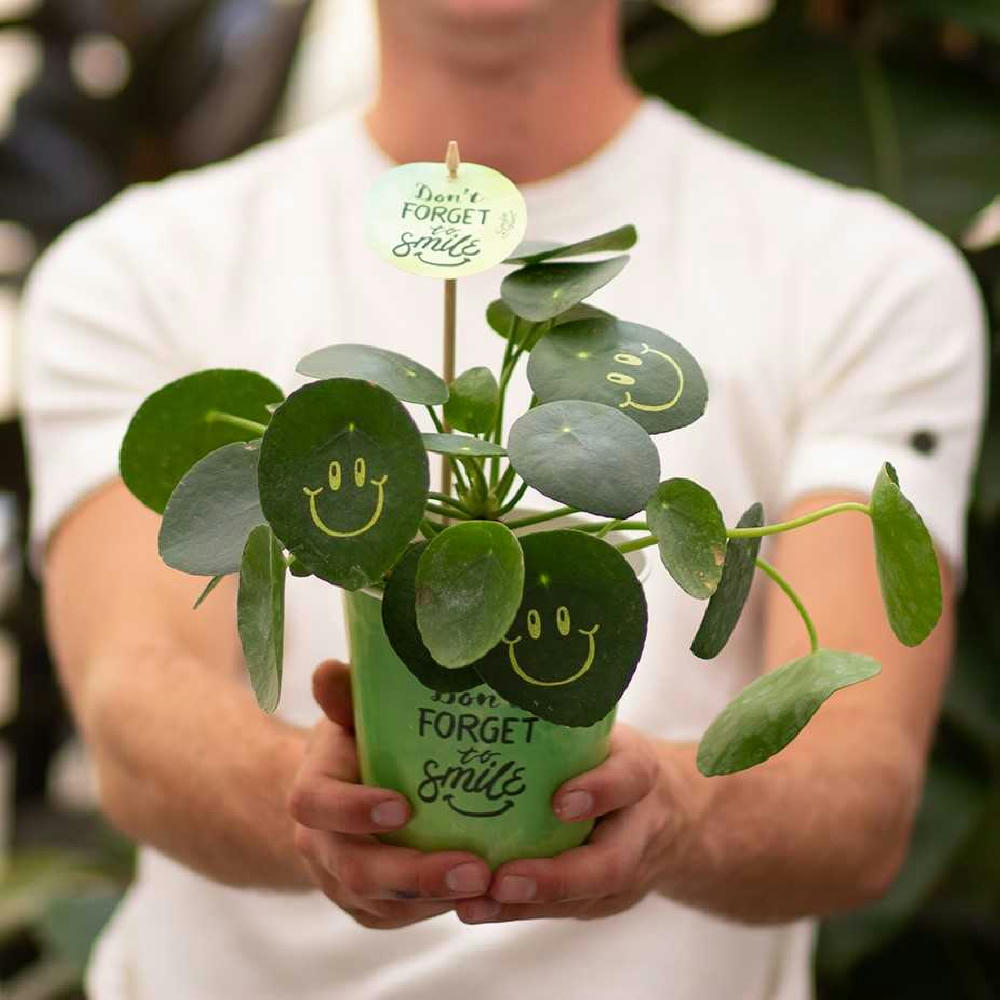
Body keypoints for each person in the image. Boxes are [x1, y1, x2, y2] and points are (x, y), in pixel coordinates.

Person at [18, 1, 986, 998]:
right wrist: (315, 807)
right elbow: (134, 698)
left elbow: (859, 793)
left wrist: (675, 814)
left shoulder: (872, 278)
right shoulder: (135, 268)